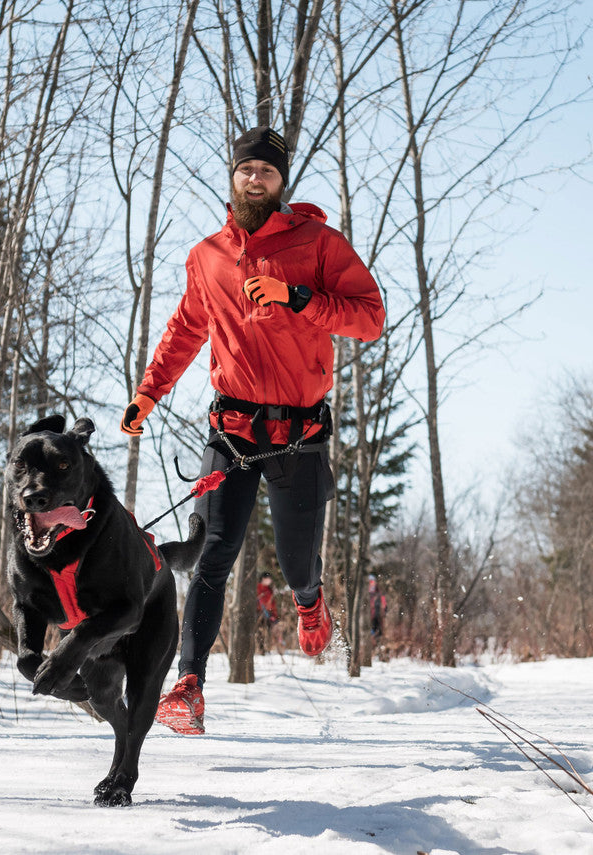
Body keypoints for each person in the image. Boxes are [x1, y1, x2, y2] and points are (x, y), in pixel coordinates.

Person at [120, 126, 385, 734]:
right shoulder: (208, 255)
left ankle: (310, 601)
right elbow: (185, 329)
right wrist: (148, 393)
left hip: (299, 433)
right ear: (233, 177)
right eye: (246, 170)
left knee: (295, 564)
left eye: (266, 171)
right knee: (215, 555)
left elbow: (370, 318)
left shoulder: (319, 243)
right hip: (233, 430)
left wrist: (301, 299)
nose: (255, 179)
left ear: (281, 180)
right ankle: (187, 687)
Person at [368, 574, 387, 640]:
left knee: (376, 623)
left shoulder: (378, 591)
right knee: (374, 623)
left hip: (376, 610)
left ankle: (376, 634)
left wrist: (384, 608)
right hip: (372, 611)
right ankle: (374, 633)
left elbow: (383, 599)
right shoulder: (371, 589)